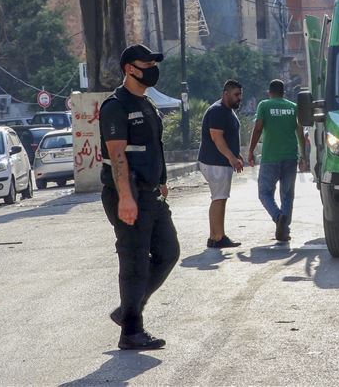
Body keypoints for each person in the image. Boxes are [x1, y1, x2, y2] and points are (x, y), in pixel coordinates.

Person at [99, 44, 180, 351]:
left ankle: (127, 310)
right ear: (129, 68)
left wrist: (161, 182)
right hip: (127, 194)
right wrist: (125, 197)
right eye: (146, 63)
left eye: (153, 63)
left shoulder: (147, 105)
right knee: (134, 262)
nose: (151, 68)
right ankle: (131, 331)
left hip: (151, 194)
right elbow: (117, 154)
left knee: (168, 252)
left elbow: (152, 149)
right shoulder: (115, 106)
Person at [247, 80, 308, 242]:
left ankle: (277, 216)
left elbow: (258, 128)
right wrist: (303, 157)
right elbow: (300, 133)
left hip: (270, 158)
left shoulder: (264, 105)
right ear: (284, 93)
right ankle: (284, 230)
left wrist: (251, 151)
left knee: (264, 193)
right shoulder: (293, 107)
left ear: (269, 92)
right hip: (290, 157)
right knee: (287, 195)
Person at [197, 79, 244, 248]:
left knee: (220, 198)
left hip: (219, 162)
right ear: (226, 94)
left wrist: (236, 154)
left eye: (240, 95)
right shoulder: (218, 111)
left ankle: (215, 236)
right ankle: (217, 237)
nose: (239, 98)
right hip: (215, 162)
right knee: (219, 198)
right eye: (236, 95)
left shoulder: (227, 111)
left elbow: (228, 137)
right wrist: (231, 158)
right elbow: (217, 137)